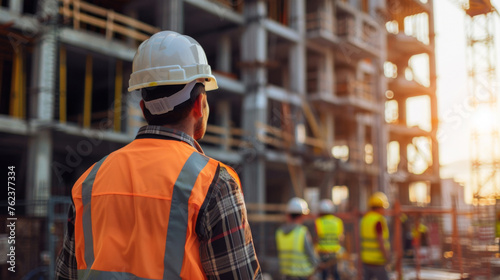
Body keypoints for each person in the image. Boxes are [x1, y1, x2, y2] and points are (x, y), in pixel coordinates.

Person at [55, 30, 262, 280]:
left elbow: (65, 275)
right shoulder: (214, 183)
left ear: (143, 109)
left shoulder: (88, 182)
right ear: (199, 104)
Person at [276, 197, 320, 280]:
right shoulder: (302, 232)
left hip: (285, 275)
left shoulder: (279, 232)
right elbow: (311, 256)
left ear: (288, 214)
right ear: (303, 215)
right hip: (301, 276)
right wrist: (317, 265)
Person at [360, 192, 391, 280]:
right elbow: (380, 241)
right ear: (380, 207)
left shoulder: (365, 219)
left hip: (366, 259)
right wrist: (387, 256)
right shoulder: (378, 220)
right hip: (377, 261)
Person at [314, 199, 344, 280]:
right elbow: (341, 238)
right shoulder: (338, 221)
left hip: (323, 252)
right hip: (335, 253)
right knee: (335, 273)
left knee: (324, 274)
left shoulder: (319, 221)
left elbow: (317, 238)